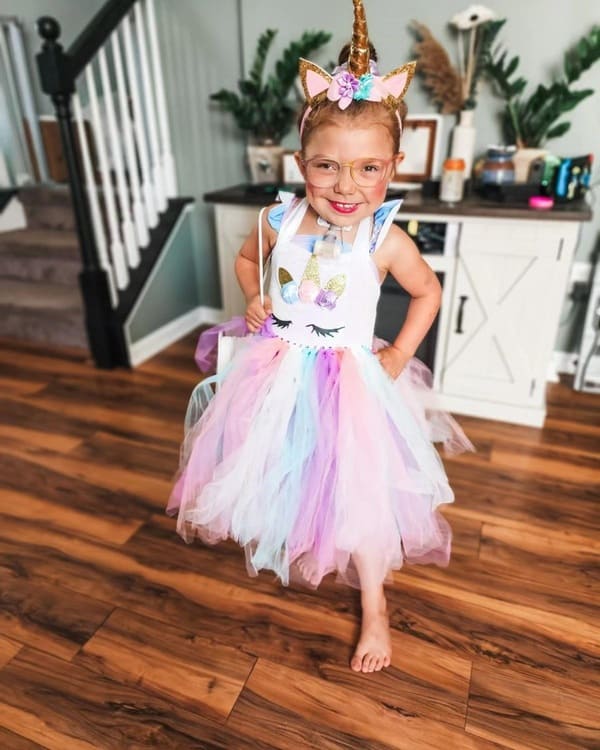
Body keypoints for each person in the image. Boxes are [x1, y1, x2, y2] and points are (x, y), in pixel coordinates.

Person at [167, 0, 474, 674]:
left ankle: (374, 605)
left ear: (393, 166)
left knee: (357, 495)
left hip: (349, 386)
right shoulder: (278, 219)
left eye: (368, 168)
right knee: (286, 475)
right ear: (300, 161)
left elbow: (428, 293)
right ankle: (303, 539)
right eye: (326, 166)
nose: (346, 185)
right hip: (274, 375)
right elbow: (249, 262)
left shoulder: (385, 238)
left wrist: (397, 353)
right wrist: (252, 295)